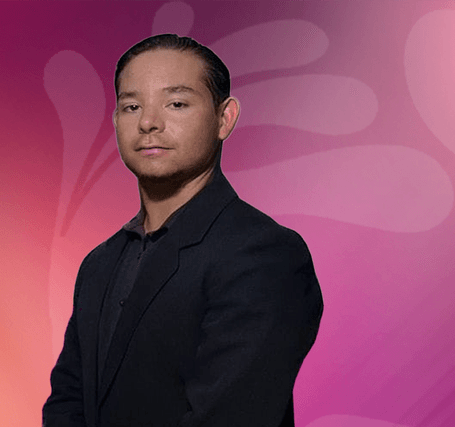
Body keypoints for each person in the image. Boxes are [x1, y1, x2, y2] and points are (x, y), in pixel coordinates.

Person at [43, 34, 323, 427]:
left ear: (224, 118)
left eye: (176, 103)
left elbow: (230, 416)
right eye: (132, 106)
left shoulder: (264, 255)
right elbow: (67, 402)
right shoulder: (99, 264)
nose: (148, 122)